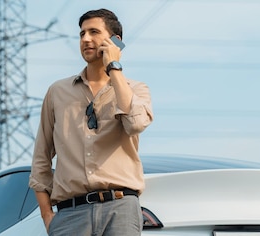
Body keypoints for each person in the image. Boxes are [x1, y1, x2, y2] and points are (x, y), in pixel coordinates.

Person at [29, 8, 154, 236]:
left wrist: (114, 67)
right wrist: (48, 216)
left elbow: (135, 124)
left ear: (115, 42)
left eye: (94, 32)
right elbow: (41, 158)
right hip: (70, 216)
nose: (85, 39)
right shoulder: (57, 92)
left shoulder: (135, 90)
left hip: (120, 210)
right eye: (82, 33)